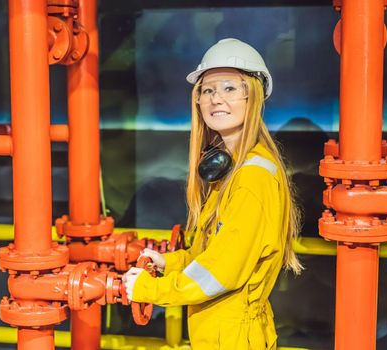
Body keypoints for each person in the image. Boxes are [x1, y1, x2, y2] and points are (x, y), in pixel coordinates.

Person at [123, 38, 303, 349]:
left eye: (230, 88)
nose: (216, 98)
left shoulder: (252, 179)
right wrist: (171, 263)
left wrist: (149, 290)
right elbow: (214, 254)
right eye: (208, 90)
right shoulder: (232, 170)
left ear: (254, 97)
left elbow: (220, 275)